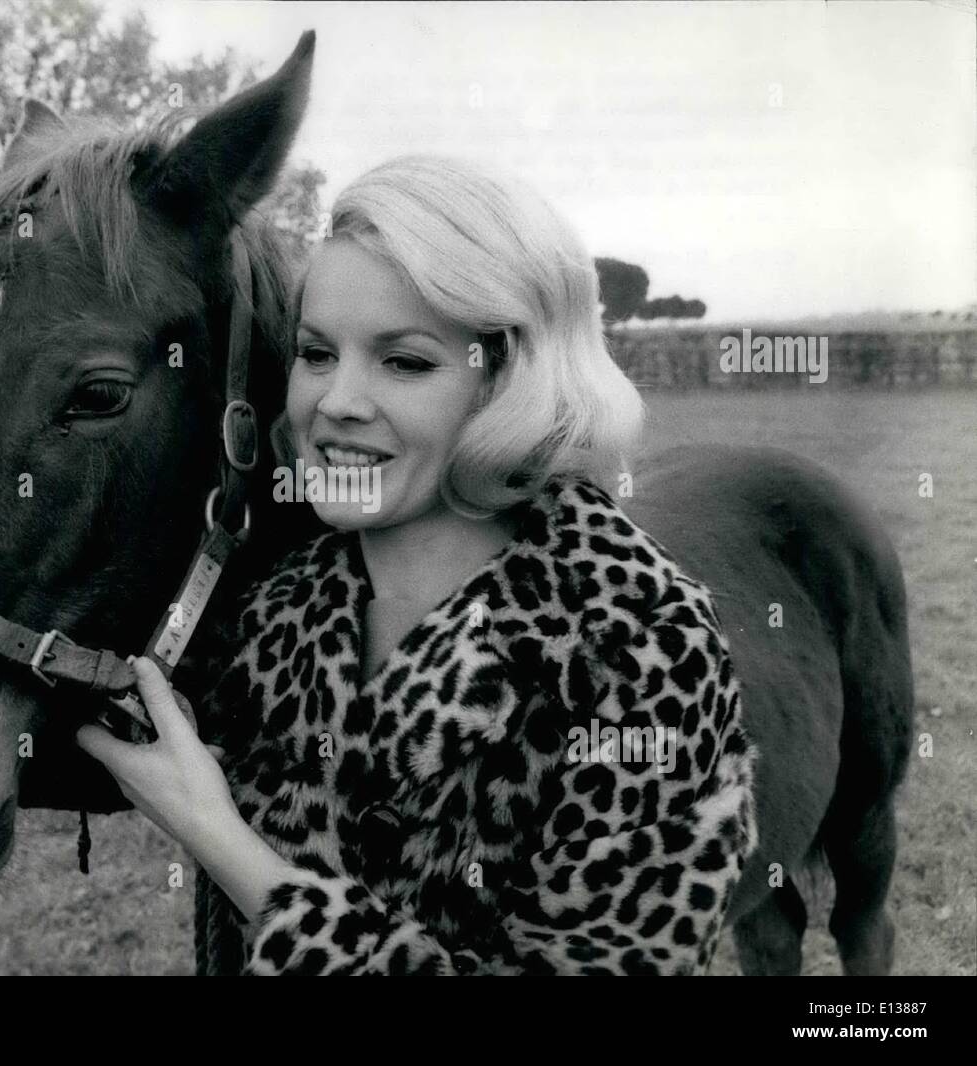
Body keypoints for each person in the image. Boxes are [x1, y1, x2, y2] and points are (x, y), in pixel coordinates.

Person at [76, 155, 757, 975]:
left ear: (507, 380)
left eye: (404, 362)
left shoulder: (635, 645)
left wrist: (227, 848)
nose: (335, 402)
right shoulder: (281, 607)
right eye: (317, 353)